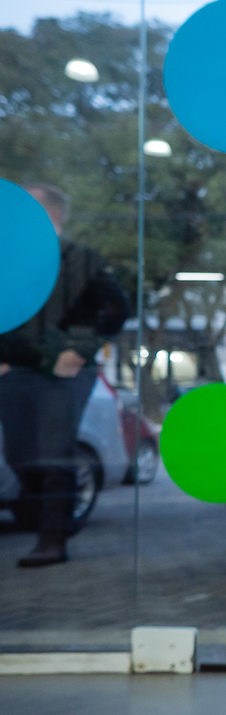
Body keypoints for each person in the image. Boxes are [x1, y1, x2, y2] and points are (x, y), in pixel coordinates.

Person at [0, 183, 130, 567]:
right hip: (17, 372)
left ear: (50, 214)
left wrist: (78, 351)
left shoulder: (80, 259)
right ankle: (55, 520)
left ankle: (53, 539)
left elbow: (115, 309)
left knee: (53, 452)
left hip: (63, 375)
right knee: (21, 454)